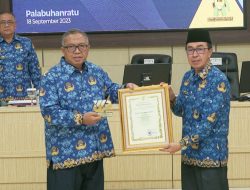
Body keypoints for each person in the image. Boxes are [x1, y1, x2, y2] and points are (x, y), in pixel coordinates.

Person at [39, 28, 136, 190]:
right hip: (65, 155)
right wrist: (80, 118)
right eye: (71, 47)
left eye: (82, 46)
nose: (77, 51)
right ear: (63, 50)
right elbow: (49, 112)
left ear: (88, 48)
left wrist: (126, 89)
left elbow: (111, 90)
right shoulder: (51, 77)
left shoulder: (96, 71)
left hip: (95, 149)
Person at [160, 29, 230, 190]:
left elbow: (208, 124)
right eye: (190, 49)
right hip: (189, 156)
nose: (195, 54)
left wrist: (180, 144)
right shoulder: (187, 78)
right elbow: (180, 110)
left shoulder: (219, 81)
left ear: (210, 52)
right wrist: (171, 96)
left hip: (211, 157)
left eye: (200, 49)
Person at [0, 12, 41, 101]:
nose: (6, 25)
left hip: (23, 97)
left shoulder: (26, 43)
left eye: (10, 22)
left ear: (15, 25)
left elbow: (35, 71)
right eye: (3, 22)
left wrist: (40, 94)